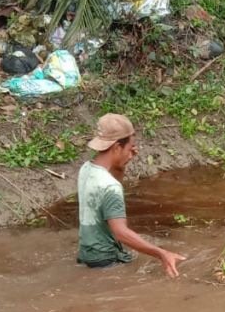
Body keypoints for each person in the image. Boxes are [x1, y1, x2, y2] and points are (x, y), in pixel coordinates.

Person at [77, 113, 186, 274]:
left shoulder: (87, 168)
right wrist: (162, 253)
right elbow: (121, 232)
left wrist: (122, 164)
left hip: (86, 253)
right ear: (116, 147)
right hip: (107, 259)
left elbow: (110, 187)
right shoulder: (110, 186)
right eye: (129, 148)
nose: (131, 152)